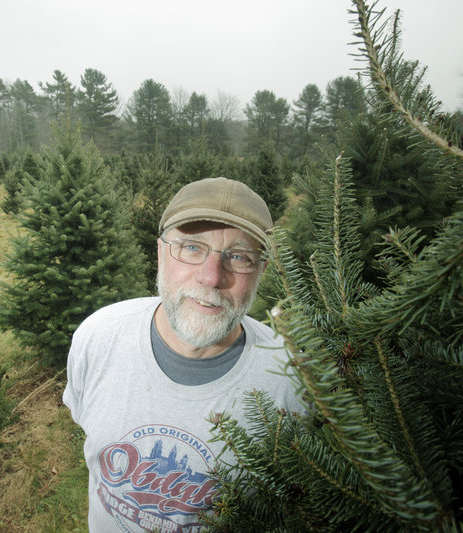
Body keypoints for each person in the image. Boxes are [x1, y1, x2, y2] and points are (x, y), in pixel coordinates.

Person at [63, 177, 304, 532]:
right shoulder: (99, 337)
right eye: (192, 247)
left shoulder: (290, 379)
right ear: (161, 252)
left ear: (261, 271)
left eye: (238, 257)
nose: (210, 277)